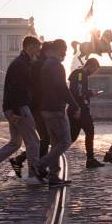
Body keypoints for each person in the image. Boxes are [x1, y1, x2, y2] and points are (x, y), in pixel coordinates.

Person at [0, 36, 44, 185]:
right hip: (19, 107)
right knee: (33, 142)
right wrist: (16, 112)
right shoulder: (20, 64)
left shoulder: (23, 63)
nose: (38, 51)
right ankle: (33, 175)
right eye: (37, 47)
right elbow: (16, 89)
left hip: (13, 107)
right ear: (30, 46)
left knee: (15, 143)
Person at [37, 39, 80, 186]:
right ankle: (41, 164)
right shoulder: (57, 66)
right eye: (64, 50)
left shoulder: (46, 65)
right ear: (57, 50)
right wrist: (75, 106)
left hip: (46, 109)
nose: (66, 53)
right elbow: (62, 89)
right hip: (55, 109)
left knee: (56, 144)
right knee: (65, 141)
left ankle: (53, 176)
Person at [9, 42, 51, 177]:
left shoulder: (36, 62)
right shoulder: (39, 64)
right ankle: (37, 168)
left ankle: (23, 161)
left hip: (35, 105)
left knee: (40, 140)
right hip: (35, 106)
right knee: (42, 139)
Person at [68, 58, 104, 168]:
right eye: (94, 70)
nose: (93, 73)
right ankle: (90, 159)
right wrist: (90, 92)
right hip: (80, 109)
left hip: (77, 109)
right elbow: (78, 92)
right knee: (89, 131)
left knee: (70, 138)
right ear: (89, 65)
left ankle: (47, 154)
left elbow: (79, 90)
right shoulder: (80, 74)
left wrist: (89, 92)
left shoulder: (81, 74)